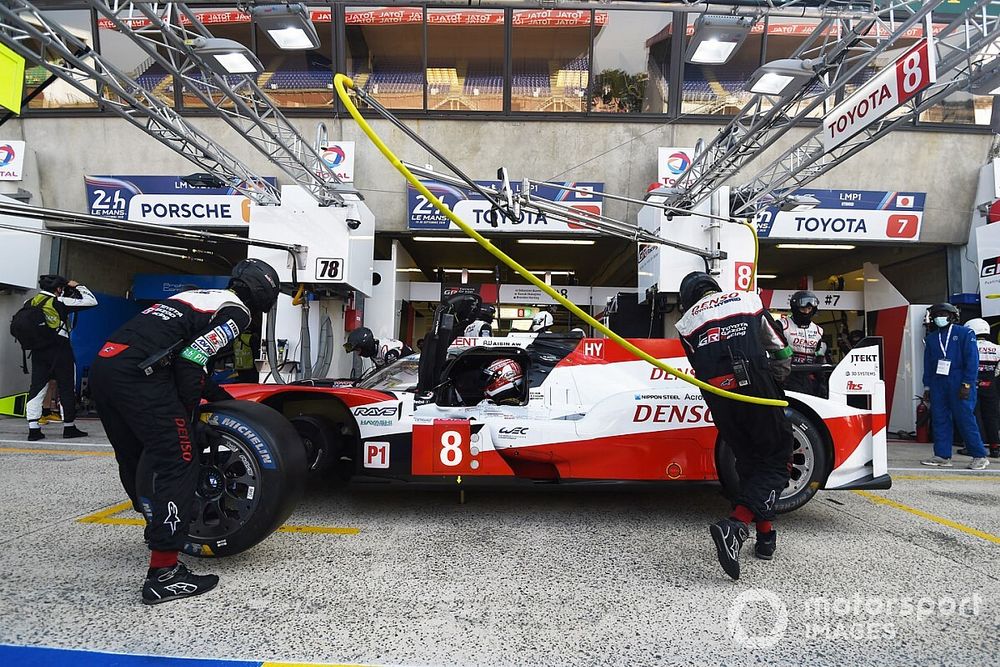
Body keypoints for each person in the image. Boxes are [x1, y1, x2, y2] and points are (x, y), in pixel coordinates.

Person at [89, 259, 280, 604]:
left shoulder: (198, 297)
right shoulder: (237, 313)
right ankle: (164, 574)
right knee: (180, 459)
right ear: (262, 294)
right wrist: (191, 417)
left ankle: (158, 526)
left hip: (107, 366)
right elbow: (192, 359)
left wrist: (221, 401)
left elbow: (182, 356)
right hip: (140, 376)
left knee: (137, 456)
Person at [674, 271, 794, 580]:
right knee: (777, 462)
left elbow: (698, 363)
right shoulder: (747, 299)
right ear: (714, 287)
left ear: (687, 297)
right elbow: (781, 349)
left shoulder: (686, 324)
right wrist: (776, 378)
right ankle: (736, 526)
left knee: (751, 463)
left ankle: (766, 537)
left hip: (720, 398)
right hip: (756, 387)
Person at [25, 274, 98, 441]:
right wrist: (78, 285)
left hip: (38, 351)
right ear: (58, 289)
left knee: (36, 388)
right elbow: (92, 301)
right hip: (60, 351)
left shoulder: (30, 302)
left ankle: (33, 430)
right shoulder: (61, 302)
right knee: (66, 388)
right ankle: (69, 427)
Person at [920, 304, 990, 469]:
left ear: (952, 316)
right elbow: (928, 364)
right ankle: (942, 456)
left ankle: (979, 456)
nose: (939, 318)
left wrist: (968, 382)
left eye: (943, 314)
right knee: (940, 419)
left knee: (965, 418)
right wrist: (927, 387)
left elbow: (972, 360)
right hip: (938, 382)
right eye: (936, 315)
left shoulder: (965, 333)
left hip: (960, 380)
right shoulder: (931, 338)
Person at [960, 318, 1000, 459]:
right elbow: (998, 370)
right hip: (990, 387)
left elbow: (963, 367)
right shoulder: (997, 348)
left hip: (971, 385)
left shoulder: (969, 346)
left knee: (973, 417)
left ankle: (974, 446)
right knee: (992, 417)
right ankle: (995, 448)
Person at [778, 290, 826, 396]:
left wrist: (822, 381)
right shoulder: (783, 325)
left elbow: (820, 357)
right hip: (787, 375)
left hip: (809, 377)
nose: (806, 312)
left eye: (809, 309)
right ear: (795, 308)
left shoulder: (818, 330)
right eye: (803, 308)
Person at [343, 327, 413, 369]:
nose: (358, 354)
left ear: (367, 347)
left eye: (358, 350)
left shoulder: (387, 351)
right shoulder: (374, 352)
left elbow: (392, 374)